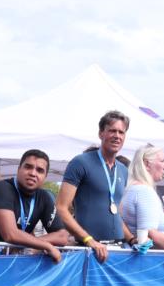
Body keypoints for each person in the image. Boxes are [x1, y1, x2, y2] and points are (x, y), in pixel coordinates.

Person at [57, 110, 135, 263]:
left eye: (121, 132)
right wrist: (89, 240)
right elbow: (61, 207)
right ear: (101, 133)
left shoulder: (123, 170)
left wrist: (132, 239)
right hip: (89, 250)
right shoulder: (80, 162)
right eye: (112, 130)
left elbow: (114, 213)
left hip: (117, 250)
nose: (117, 136)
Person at [0, 149, 69, 261]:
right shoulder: (2, 189)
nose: (33, 173)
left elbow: (62, 236)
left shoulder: (44, 197)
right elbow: (10, 234)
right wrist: (47, 246)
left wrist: (30, 244)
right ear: (19, 169)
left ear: (45, 176)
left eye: (39, 170)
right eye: (28, 167)